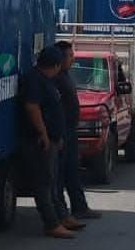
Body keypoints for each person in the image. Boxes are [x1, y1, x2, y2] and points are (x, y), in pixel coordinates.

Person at [20, 46, 86, 238]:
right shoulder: (35, 80)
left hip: (55, 139)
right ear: (56, 65)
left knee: (53, 180)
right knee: (44, 183)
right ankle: (51, 224)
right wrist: (44, 134)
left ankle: (61, 217)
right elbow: (32, 107)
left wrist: (59, 136)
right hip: (40, 141)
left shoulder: (46, 80)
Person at [53, 40, 101, 220]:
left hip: (71, 132)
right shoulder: (56, 78)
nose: (73, 59)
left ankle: (79, 207)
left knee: (72, 171)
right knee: (59, 175)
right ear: (61, 58)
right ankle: (61, 213)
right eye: (70, 56)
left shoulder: (65, 75)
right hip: (62, 134)